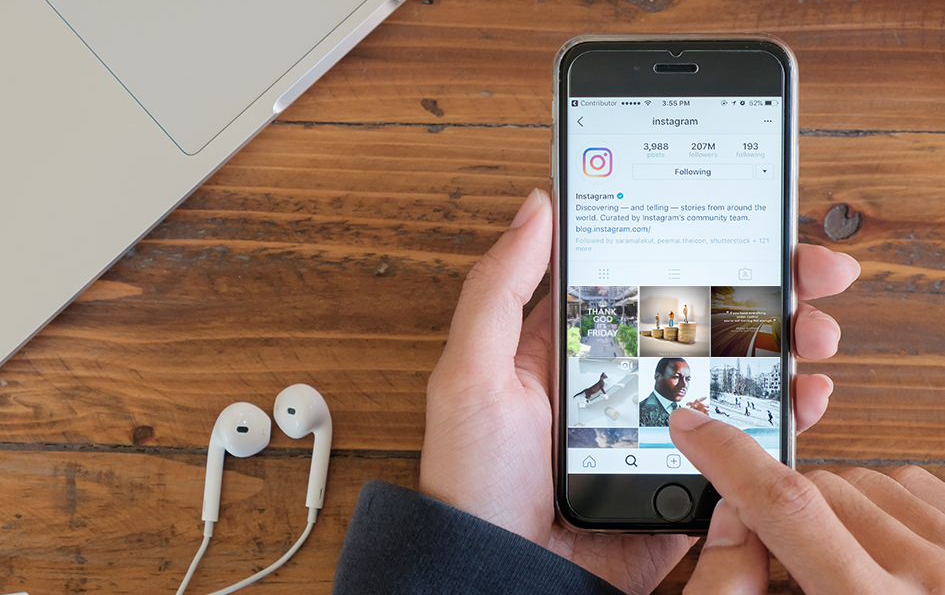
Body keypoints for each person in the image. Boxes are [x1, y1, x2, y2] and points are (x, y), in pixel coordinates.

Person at [333, 189, 943, 594]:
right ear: (663, 377)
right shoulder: (649, 404)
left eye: (682, 372)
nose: (682, 375)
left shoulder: (677, 403)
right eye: (676, 372)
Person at [639, 358, 706, 427]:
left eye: (687, 379)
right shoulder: (638, 413)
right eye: (676, 377)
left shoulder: (686, 414)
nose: (684, 385)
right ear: (658, 377)